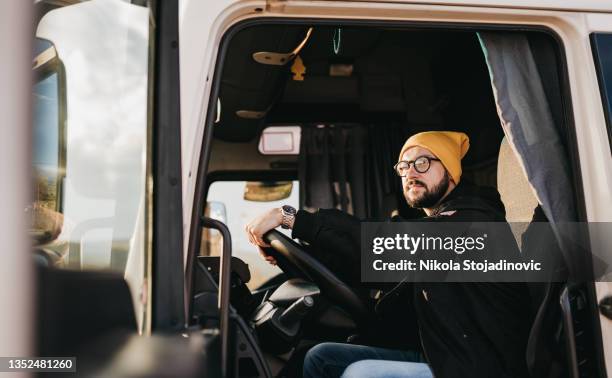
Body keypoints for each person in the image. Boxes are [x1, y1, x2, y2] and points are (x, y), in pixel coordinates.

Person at [245, 131, 532, 378]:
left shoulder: (473, 222)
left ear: (451, 170)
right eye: (404, 166)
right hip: (443, 354)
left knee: (359, 374)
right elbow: (364, 261)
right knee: (319, 357)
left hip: (475, 368)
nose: (410, 173)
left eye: (422, 162)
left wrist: (292, 218)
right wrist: (295, 257)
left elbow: (384, 242)